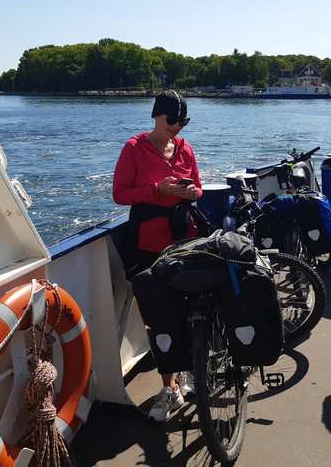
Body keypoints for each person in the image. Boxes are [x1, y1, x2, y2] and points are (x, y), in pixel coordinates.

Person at [113, 89, 202, 422]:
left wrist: (192, 191)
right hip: (150, 246)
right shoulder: (134, 149)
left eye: (183, 122)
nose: (177, 128)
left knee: (191, 311)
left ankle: (191, 372)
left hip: (185, 240)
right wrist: (156, 190)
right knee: (162, 318)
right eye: (173, 122)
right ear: (157, 116)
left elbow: (199, 186)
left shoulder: (184, 148)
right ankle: (170, 387)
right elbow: (119, 194)